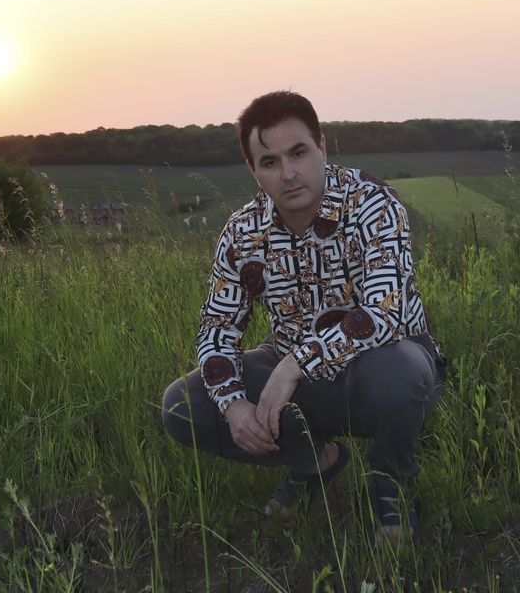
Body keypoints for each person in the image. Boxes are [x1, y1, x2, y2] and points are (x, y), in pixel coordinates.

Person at [161, 91, 447, 543]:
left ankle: (391, 483)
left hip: (382, 364)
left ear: (322, 147)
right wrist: (234, 404)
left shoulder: (372, 202)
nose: (288, 173)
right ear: (253, 170)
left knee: (401, 372)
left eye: (298, 153)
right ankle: (315, 460)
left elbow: (384, 314)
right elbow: (217, 330)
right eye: (270, 162)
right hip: (290, 367)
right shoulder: (242, 234)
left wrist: (294, 365)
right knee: (182, 403)